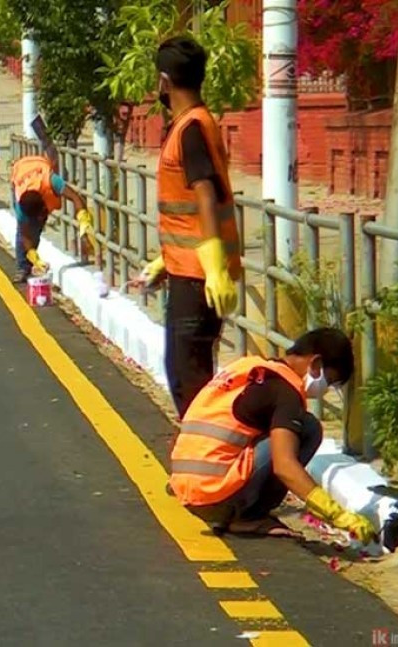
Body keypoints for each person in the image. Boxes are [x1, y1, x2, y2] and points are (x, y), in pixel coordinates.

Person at [168, 328, 378, 543]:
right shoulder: (286, 392)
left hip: (188, 492)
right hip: (216, 497)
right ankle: (248, 515)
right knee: (308, 428)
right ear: (315, 364)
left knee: (281, 430)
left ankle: (235, 509)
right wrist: (337, 514)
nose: (325, 390)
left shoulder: (249, 369)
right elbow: (284, 466)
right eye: (330, 381)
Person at [125, 36, 241, 419]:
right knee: (187, 375)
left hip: (197, 278)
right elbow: (189, 210)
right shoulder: (197, 123)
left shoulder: (190, 128)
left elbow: (206, 195)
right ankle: (205, 465)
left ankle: (208, 469)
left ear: (163, 81)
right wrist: (163, 262)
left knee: (189, 383)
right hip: (189, 270)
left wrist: (213, 269)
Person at [9, 154, 93, 283]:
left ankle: (28, 264)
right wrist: (36, 259)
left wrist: (83, 230)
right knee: (26, 231)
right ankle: (23, 267)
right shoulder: (21, 205)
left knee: (36, 229)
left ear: (44, 205)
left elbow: (76, 198)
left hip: (39, 165)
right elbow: (25, 234)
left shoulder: (51, 181)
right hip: (19, 171)